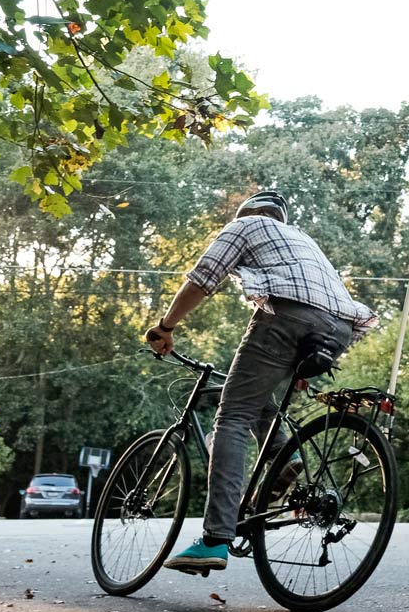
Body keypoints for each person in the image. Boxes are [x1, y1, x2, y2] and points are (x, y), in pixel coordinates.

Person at [145, 190, 376, 575]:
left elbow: (204, 278)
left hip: (288, 317)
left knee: (232, 416)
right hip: (338, 329)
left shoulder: (246, 225)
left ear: (247, 212)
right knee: (253, 395)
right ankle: (286, 458)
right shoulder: (302, 240)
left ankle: (215, 539)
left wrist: (165, 326)